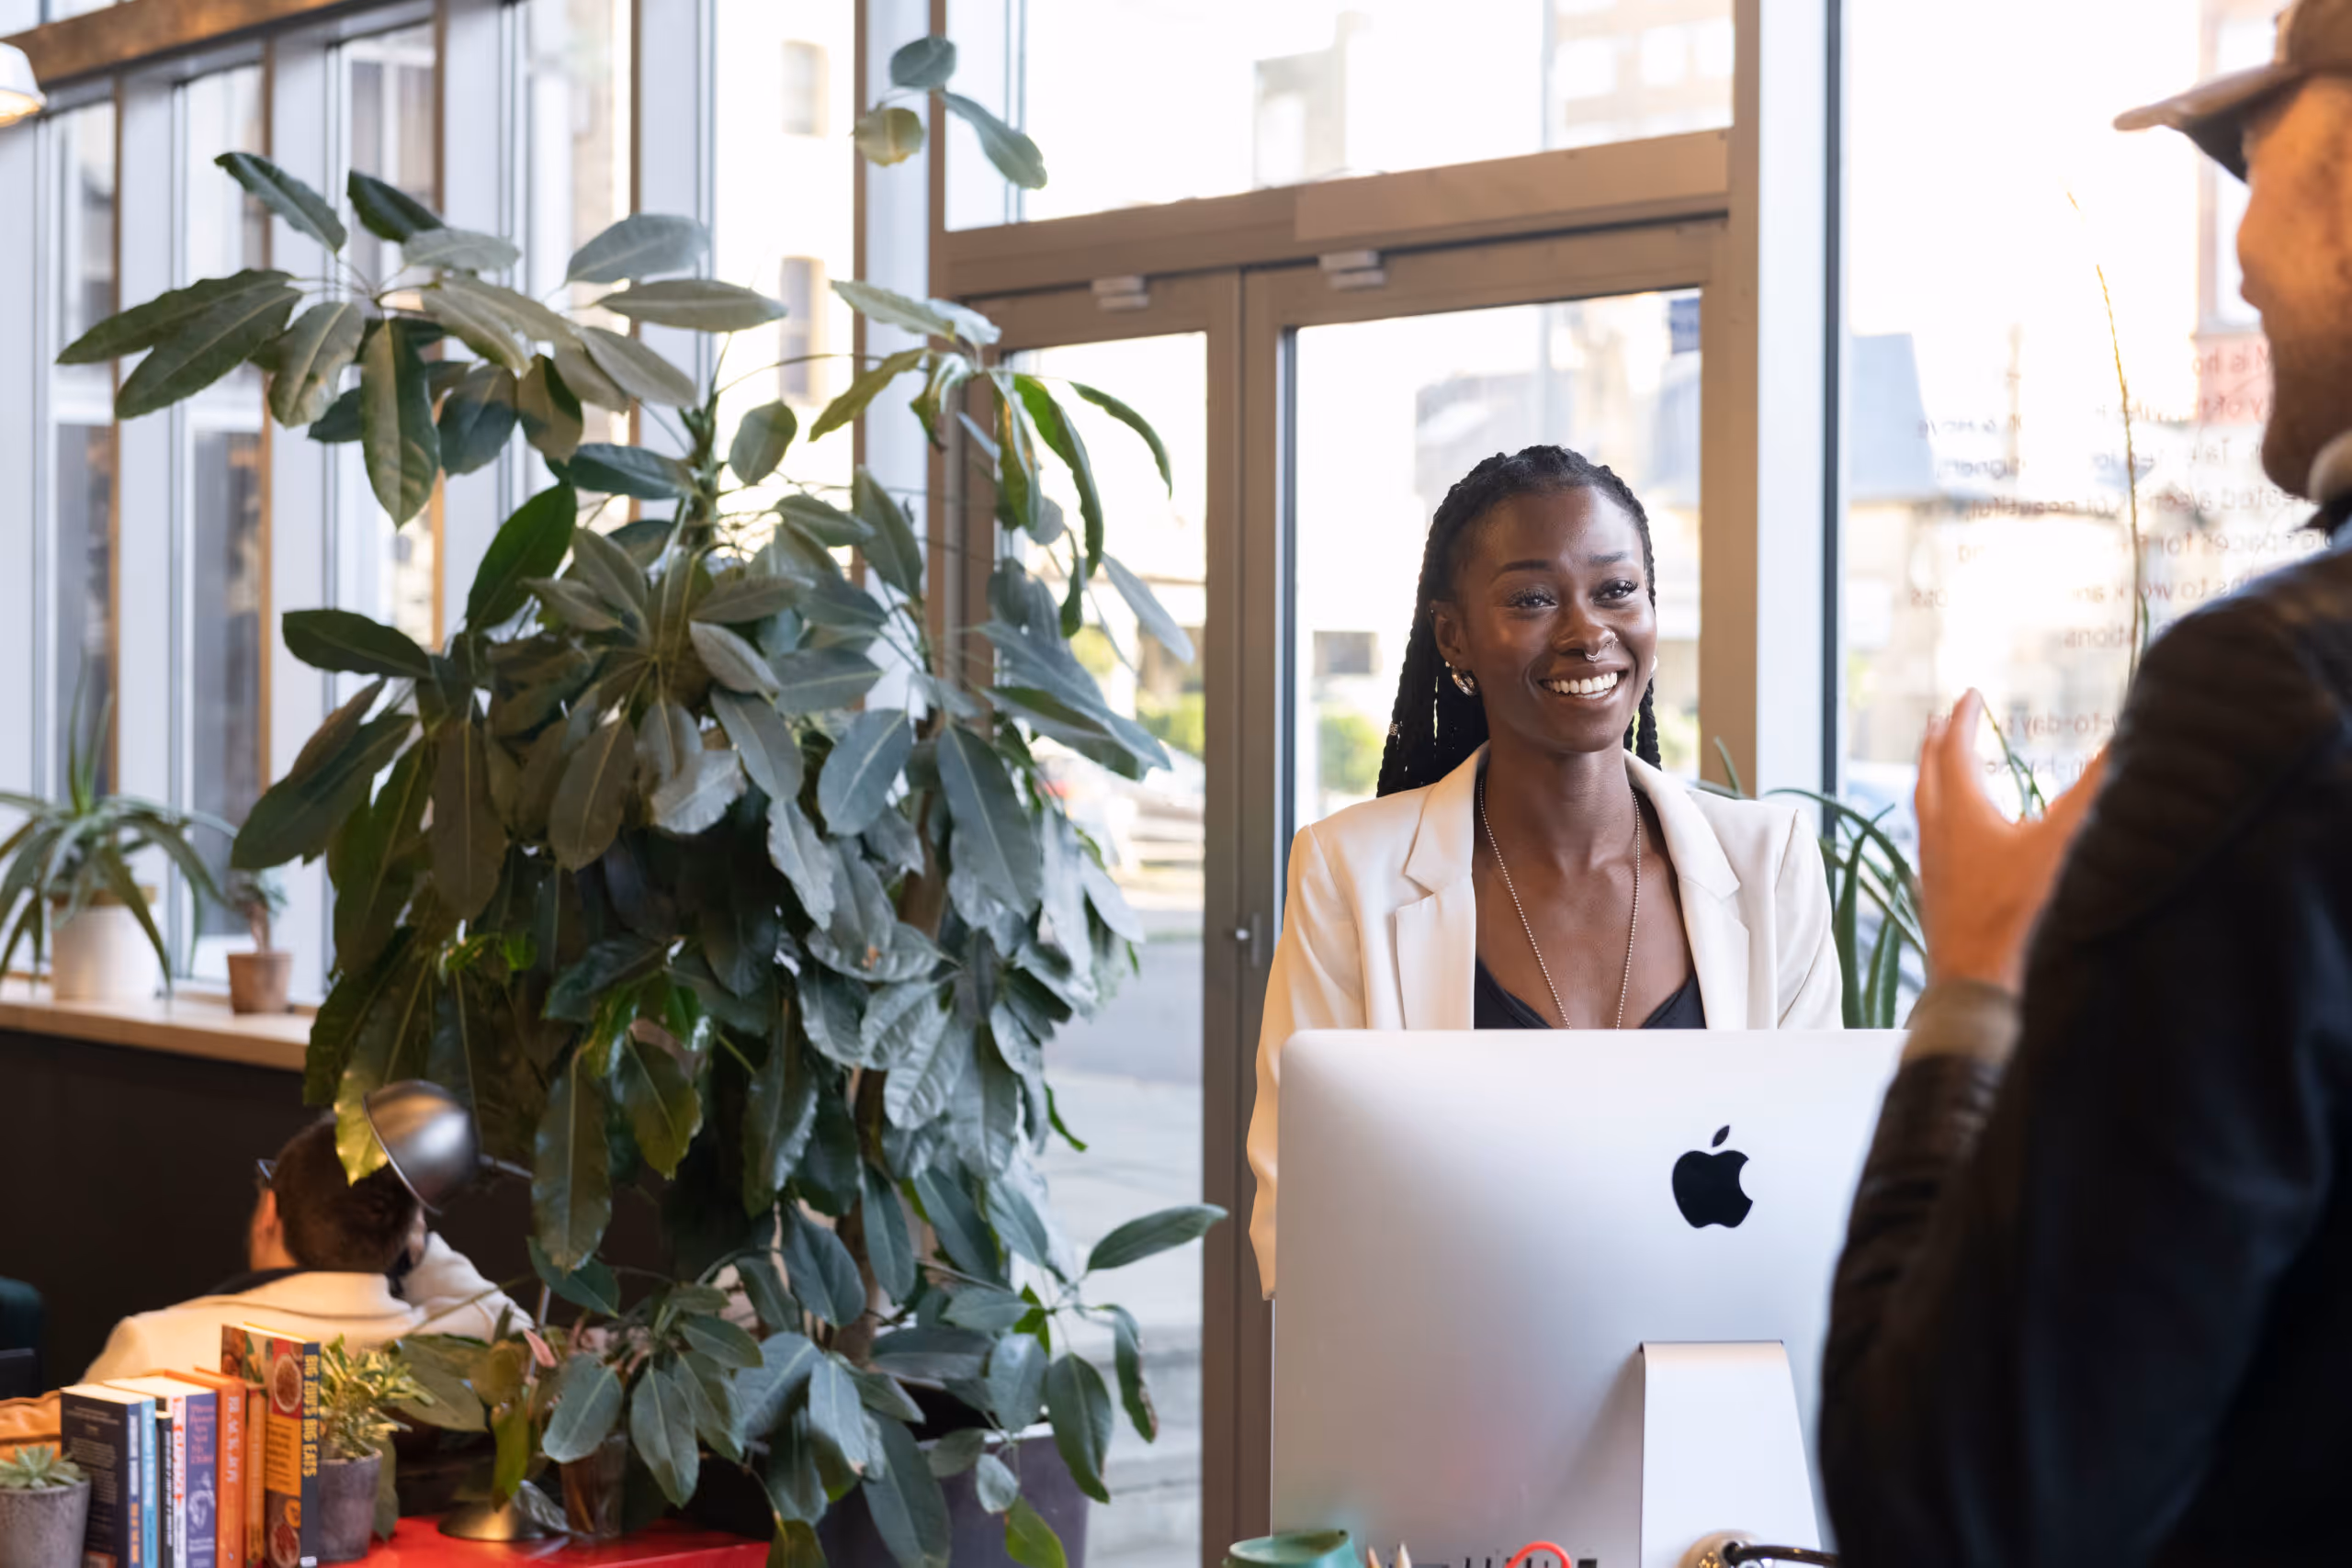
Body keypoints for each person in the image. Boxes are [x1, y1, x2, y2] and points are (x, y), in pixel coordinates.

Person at [1820, 14, 2352, 1561]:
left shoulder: (2277, 697)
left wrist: (1980, 972)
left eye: (2267, 162)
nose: (2240, 248)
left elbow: (1958, 1508)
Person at [1249, 445, 1842, 1291]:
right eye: (1532, 598)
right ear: (1453, 635)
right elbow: (1302, 1218)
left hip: (1716, 1358)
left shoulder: (1768, 864)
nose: (1586, 632)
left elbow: (1813, 1186)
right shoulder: (1349, 873)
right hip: (1457, 1364)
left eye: (1616, 589)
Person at [81, 1118, 522, 1382]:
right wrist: (420, 1248)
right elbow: (524, 1335)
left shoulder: (157, 1350)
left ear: (269, 1212)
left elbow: (58, 1489)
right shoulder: (470, 1342)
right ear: (407, 1236)